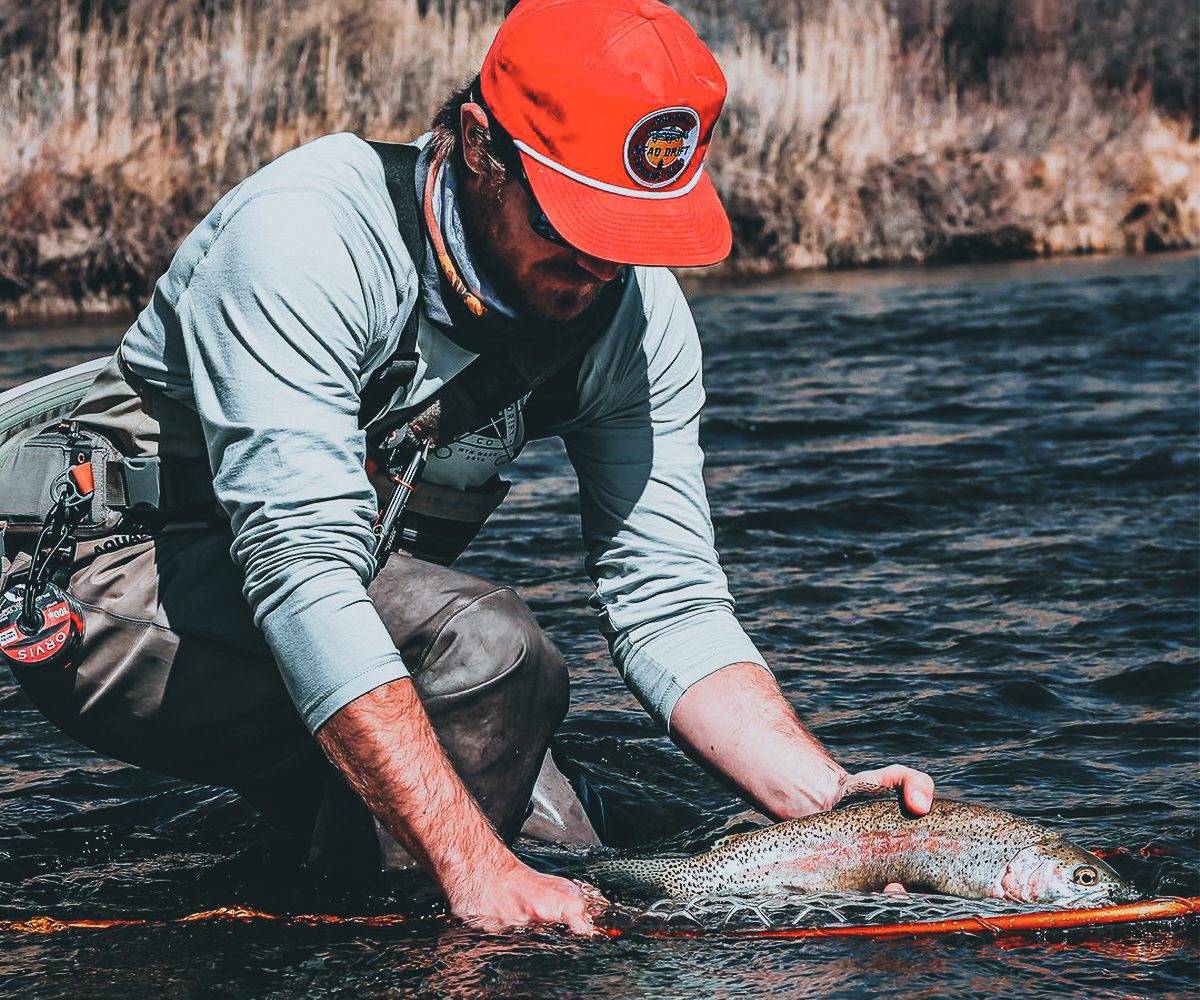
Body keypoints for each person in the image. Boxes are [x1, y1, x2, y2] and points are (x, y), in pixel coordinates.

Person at [0, 0, 933, 934]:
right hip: (106, 584)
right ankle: (390, 948)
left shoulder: (634, 320)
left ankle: (346, 909)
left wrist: (838, 811)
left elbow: (670, 598)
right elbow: (302, 572)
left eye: (629, 236)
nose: (600, 271)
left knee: (572, 864)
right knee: (491, 661)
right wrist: (473, 870)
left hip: (317, 589)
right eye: (571, 226)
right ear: (481, 146)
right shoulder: (307, 234)